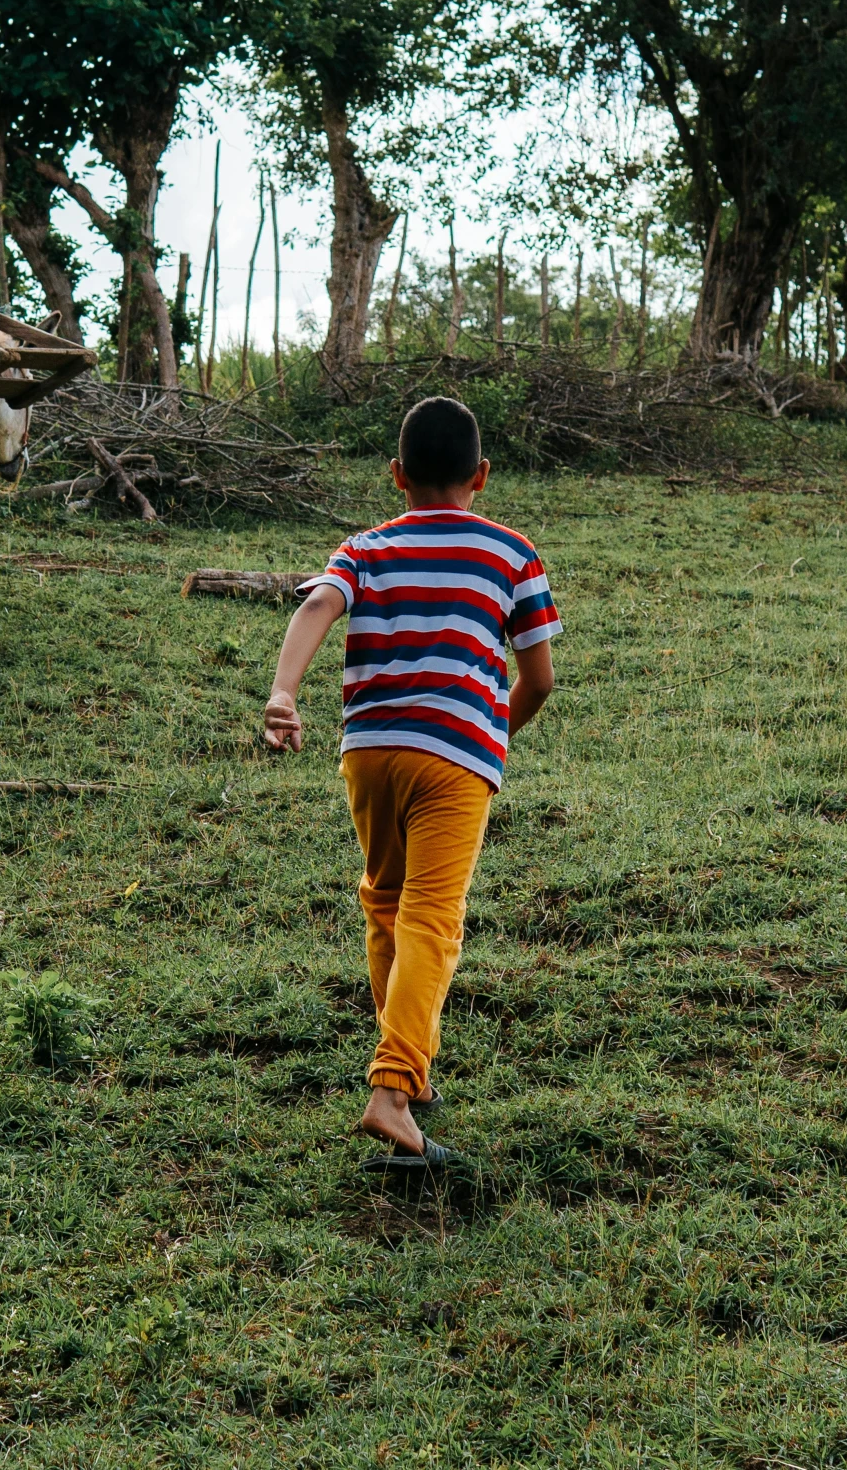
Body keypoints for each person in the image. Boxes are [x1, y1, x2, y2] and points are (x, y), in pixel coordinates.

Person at [263, 394, 561, 1166]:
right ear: (482, 476)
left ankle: (410, 1067)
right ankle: (392, 1091)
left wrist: (283, 693)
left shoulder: (362, 548)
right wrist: (492, 736)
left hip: (368, 751)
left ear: (395, 475)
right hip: (454, 756)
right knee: (432, 917)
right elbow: (539, 678)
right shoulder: (510, 554)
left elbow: (319, 605)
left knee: (385, 906)